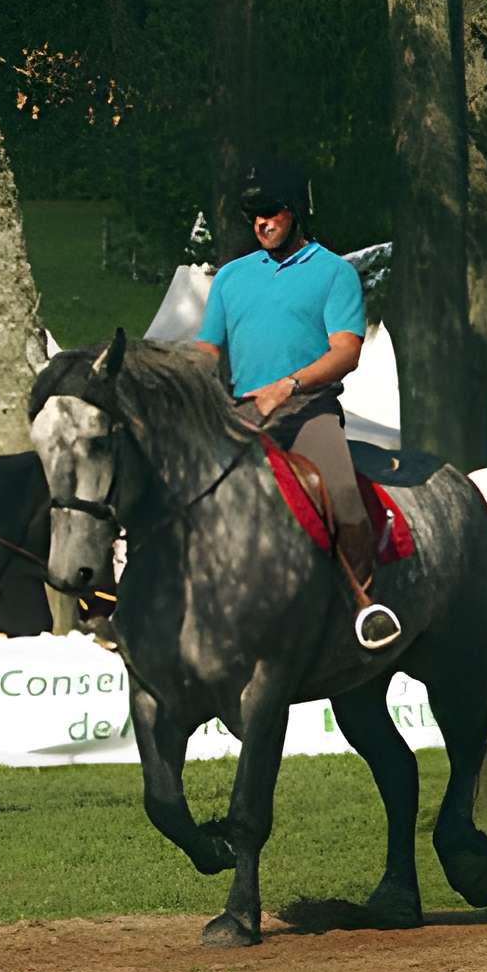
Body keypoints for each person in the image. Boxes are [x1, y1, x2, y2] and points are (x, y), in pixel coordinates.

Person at [195, 159, 397, 649]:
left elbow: (346, 351)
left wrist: (288, 385)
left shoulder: (333, 274)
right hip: (244, 413)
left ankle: (365, 608)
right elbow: (206, 351)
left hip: (309, 411)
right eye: (254, 216)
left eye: (272, 213)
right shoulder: (230, 278)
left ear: (296, 211)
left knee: (343, 493)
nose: (262, 223)